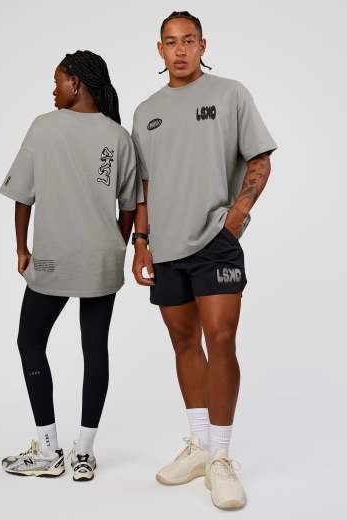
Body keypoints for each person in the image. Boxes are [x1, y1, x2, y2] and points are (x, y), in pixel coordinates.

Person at [131, 11, 277, 509]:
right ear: (159, 49)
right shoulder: (146, 112)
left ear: (202, 45)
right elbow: (143, 185)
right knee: (183, 341)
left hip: (215, 240)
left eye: (188, 40)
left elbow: (260, 159)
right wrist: (141, 242)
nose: (180, 50)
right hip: (165, 246)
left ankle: (221, 457)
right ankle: (198, 445)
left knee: (221, 337)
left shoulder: (230, 94)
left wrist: (236, 216)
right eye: (171, 42)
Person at [0, 50, 140, 481]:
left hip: (53, 257)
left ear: (76, 83)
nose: (54, 89)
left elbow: (23, 195)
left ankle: (48, 449)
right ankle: (84, 454)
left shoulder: (44, 127)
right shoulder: (118, 137)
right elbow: (130, 207)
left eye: (57, 80)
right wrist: (115, 245)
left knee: (29, 341)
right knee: (95, 350)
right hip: (102, 258)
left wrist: (21, 248)